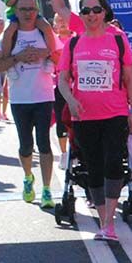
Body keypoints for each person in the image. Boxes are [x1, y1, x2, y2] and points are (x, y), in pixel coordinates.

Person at [57, 0, 132, 241]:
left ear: (104, 12)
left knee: (113, 163)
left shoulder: (118, 40)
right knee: (93, 167)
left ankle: (109, 222)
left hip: (115, 112)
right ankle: (104, 221)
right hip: (84, 117)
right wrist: (70, 100)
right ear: (81, 15)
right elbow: (62, 79)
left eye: (96, 10)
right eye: (86, 11)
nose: (91, 15)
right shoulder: (73, 43)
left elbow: (130, 79)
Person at [0, 0, 58, 208]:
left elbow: (61, 59)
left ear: (37, 11)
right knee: (26, 145)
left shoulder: (45, 32)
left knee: (44, 143)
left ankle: (47, 189)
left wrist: (43, 53)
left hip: (43, 96)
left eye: (31, 9)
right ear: (16, 12)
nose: (28, 13)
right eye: (23, 9)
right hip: (20, 99)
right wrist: (18, 57)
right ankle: (28, 177)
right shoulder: (9, 35)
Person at [52, 12, 74, 168]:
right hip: (58, 86)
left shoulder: (77, 39)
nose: (62, 23)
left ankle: (76, 151)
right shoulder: (52, 42)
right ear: (54, 24)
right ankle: (64, 153)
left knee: (77, 121)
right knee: (61, 120)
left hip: (77, 86)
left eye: (64, 20)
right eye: (59, 21)